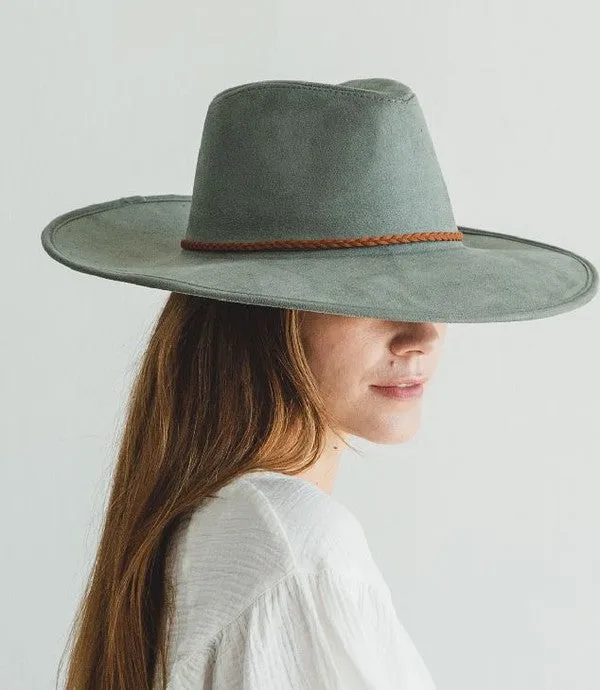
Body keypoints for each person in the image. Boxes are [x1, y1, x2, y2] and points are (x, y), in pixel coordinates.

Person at [40, 77, 597, 690]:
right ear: (263, 311)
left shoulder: (219, 529)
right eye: (369, 297)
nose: (422, 336)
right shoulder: (292, 549)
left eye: (431, 293)